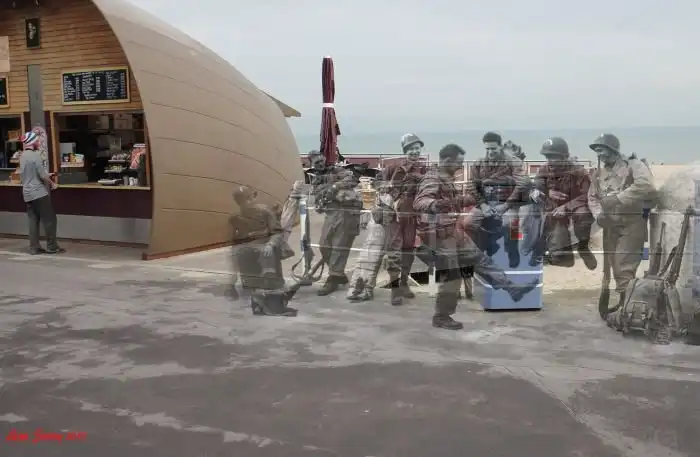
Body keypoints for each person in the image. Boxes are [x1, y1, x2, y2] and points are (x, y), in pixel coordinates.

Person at [414, 144, 539, 330]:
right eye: (459, 162)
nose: (461, 166)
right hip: (438, 236)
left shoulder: (446, 178)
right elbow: (420, 201)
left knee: (480, 259)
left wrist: (470, 199)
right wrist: (435, 204)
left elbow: (452, 202)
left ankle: (512, 289)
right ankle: (442, 316)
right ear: (447, 160)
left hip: (452, 231)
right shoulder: (433, 178)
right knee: (452, 276)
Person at [588, 133, 656, 315]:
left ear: (612, 149)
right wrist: (598, 215)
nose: (599, 154)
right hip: (610, 226)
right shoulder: (598, 173)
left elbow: (646, 186)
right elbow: (592, 197)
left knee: (623, 266)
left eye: (602, 150)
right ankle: (624, 304)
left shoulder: (634, 165)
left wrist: (618, 198)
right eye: (597, 151)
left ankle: (628, 309)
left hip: (632, 223)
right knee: (612, 268)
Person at [530, 137, 597, 270]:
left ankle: (583, 247)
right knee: (546, 222)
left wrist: (566, 207)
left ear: (564, 157)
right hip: (554, 209)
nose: (550, 160)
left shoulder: (579, 171)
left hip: (575, 206)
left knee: (583, 214)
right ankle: (550, 252)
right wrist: (547, 192)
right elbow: (535, 188)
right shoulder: (544, 169)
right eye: (547, 157)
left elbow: (587, 195)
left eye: (553, 157)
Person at [465, 132, 529, 268]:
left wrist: (506, 205)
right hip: (486, 203)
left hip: (508, 203)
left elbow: (523, 183)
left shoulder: (513, 162)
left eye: (493, 148)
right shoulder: (479, 163)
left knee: (512, 224)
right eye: (487, 149)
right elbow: (471, 184)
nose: (490, 152)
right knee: (468, 223)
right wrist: (483, 205)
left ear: (500, 146)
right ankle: (482, 250)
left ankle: (512, 250)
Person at [230, 186, 297, 316]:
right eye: (241, 200)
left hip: (267, 252)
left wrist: (270, 244)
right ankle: (258, 305)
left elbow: (277, 232)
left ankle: (274, 306)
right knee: (253, 282)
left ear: (253, 197)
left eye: (248, 199)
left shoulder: (264, 211)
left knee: (271, 280)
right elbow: (235, 239)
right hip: (248, 254)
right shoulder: (236, 217)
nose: (246, 203)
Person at [308, 150, 363, 296]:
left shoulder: (337, 170)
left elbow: (352, 180)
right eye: (316, 163)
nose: (320, 164)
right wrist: (320, 200)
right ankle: (338, 274)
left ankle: (333, 278)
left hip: (346, 212)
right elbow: (317, 200)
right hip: (331, 214)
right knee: (324, 245)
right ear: (312, 164)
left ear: (324, 159)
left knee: (339, 246)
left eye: (321, 160)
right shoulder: (316, 180)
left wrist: (334, 187)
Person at [382, 133, 428, 305]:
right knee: (394, 251)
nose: (414, 152)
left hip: (412, 214)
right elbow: (380, 183)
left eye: (417, 148)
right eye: (411, 149)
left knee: (408, 249)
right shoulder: (394, 167)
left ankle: (403, 283)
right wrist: (391, 196)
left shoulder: (423, 169)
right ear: (404, 151)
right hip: (395, 215)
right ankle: (395, 289)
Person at [346, 181, 395, 302]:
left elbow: (384, 217)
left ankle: (366, 289)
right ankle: (356, 287)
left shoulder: (389, 198)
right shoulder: (380, 198)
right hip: (373, 232)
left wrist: (380, 211)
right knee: (364, 259)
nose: (382, 189)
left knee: (373, 260)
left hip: (381, 232)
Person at [18, 131, 64, 255]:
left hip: (27, 193)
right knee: (49, 219)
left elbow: (29, 173)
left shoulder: (22, 156)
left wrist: (46, 175)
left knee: (33, 220)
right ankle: (52, 247)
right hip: (38, 192)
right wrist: (52, 183)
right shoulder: (35, 156)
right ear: (32, 142)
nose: (38, 142)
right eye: (37, 141)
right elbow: (42, 175)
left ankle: (34, 247)